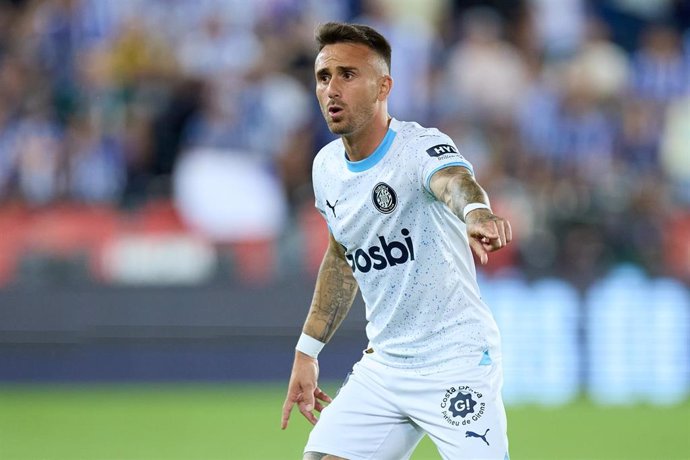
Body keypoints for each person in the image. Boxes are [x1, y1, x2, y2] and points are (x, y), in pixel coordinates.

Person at [281, 22, 512, 460]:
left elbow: (454, 181)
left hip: (454, 361)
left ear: (383, 85)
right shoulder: (326, 167)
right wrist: (307, 352)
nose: (332, 89)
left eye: (348, 75)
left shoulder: (418, 147)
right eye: (323, 77)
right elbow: (342, 254)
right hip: (386, 365)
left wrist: (475, 211)